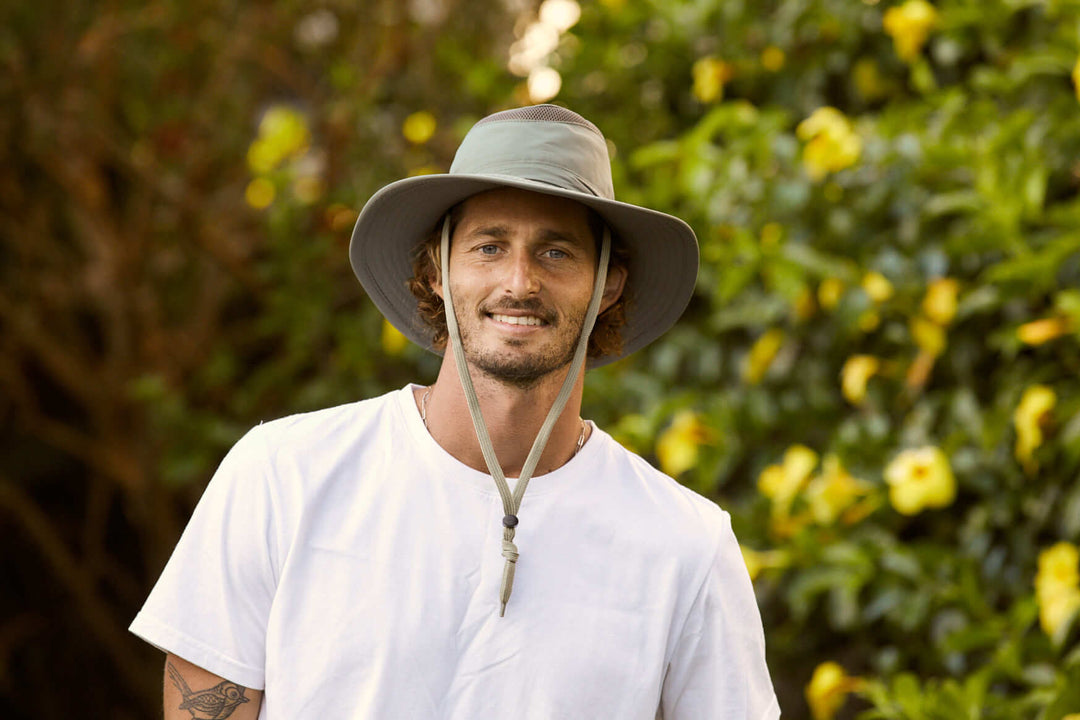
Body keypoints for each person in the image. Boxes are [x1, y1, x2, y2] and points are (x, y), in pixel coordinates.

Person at [130, 104, 780, 719]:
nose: (519, 282)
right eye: (488, 246)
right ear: (437, 269)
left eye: (556, 252)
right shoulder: (284, 475)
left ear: (608, 284)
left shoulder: (686, 546)